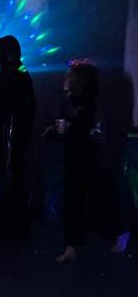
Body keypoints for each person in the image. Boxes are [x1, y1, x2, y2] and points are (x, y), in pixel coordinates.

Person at [46, 60, 98, 263]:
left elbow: (90, 129)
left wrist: (71, 128)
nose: (65, 78)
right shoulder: (68, 100)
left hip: (85, 155)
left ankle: (75, 244)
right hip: (70, 154)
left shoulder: (90, 102)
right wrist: (53, 128)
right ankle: (72, 246)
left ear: (80, 80)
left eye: (70, 75)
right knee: (73, 200)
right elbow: (64, 121)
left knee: (85, 199)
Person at [0, 35, 35, 239]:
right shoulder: (19, 73)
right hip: (15, 137)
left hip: (14, 137)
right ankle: (14, 226)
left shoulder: (17, 75)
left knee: (13, 178)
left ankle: (13, 228)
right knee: (13, 178)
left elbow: (12, 107)